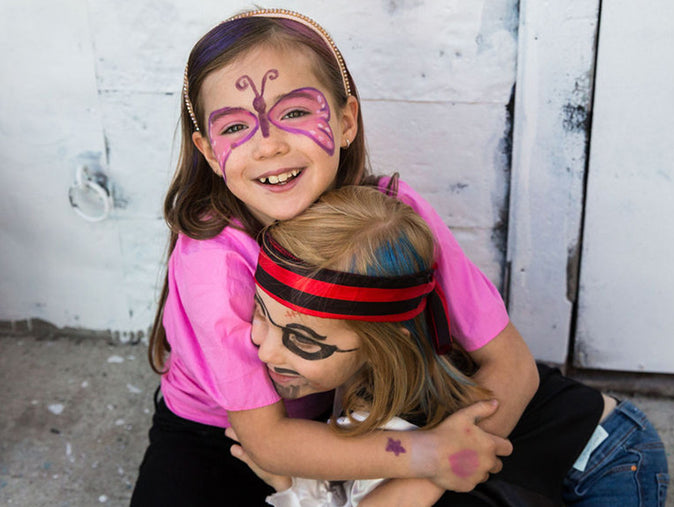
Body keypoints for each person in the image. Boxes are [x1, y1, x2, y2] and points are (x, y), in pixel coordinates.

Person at [131, 8, 538, 506]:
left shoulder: (393, 211)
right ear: (211, 153)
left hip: (362, 409)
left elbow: (512, 364)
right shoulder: (212, 260)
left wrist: (448, 462)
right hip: (223, 435)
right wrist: (429, 456)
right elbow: (268, 442)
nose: (267, 146)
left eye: (296, 112)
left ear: (345, 120)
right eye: (235, 127)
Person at [230, 185, 669, 506]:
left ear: (383, 347)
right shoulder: (364, 383)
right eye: (261, 315)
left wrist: (289, 487)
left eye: (302, 339)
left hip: (606, 453)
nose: (264, 350)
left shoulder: (411, 416)